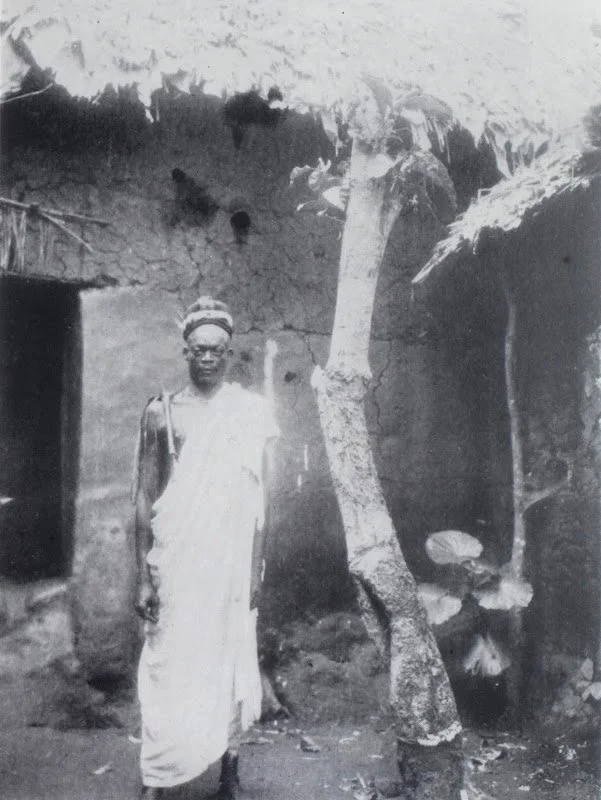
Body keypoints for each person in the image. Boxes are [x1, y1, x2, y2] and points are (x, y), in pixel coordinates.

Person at [133, 297, 279, 799]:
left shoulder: (248, 413)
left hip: (230, 564)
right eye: (200, 349)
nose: (209, 357)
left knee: (228, 659)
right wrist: (142, 575)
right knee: (166, 661)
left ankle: (229, 770)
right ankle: (158, 774)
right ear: (186, 352)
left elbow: (261, 498)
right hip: (176, 560)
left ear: (229, 353)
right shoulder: (162, 412)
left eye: (218, 349)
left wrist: (256, 567)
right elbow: (145, 496)